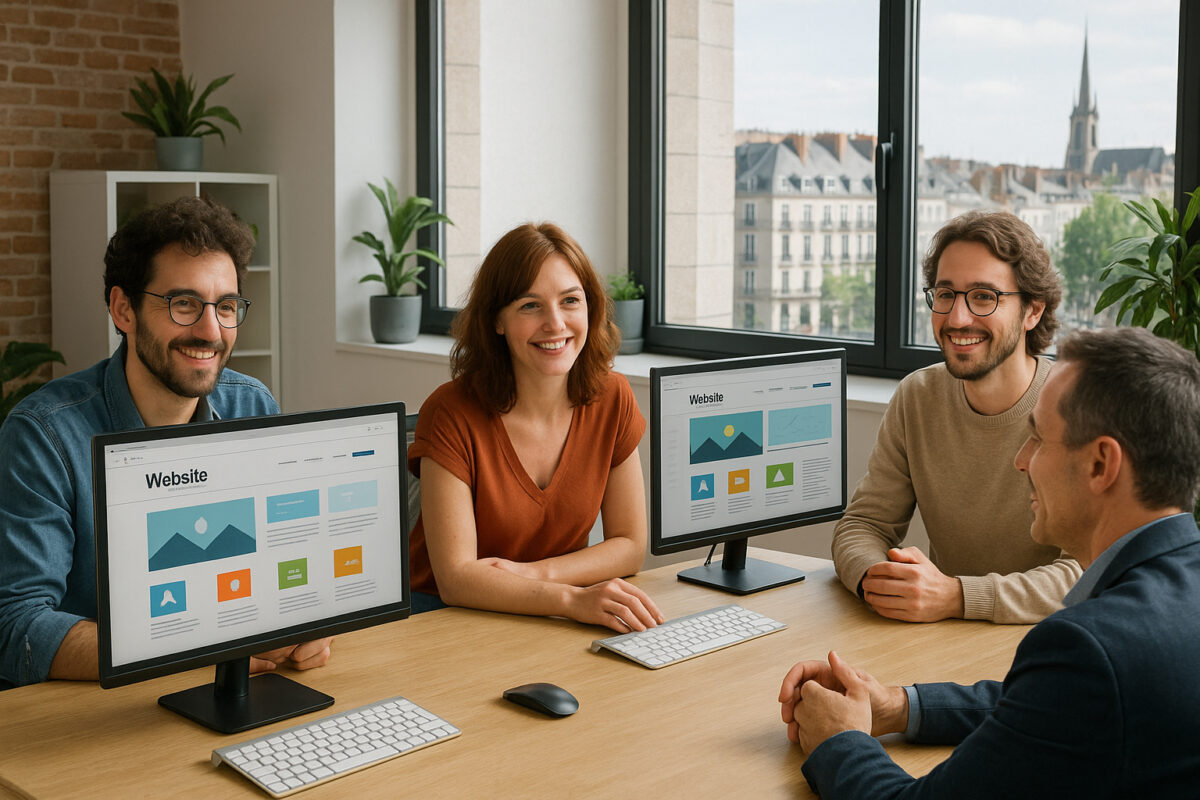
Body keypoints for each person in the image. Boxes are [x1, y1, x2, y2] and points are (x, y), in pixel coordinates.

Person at [779, 326, 1200, 798]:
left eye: (1038, 439)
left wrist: (840, 739)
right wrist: (897, 706)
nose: (1021, 460)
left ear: (1101, 465)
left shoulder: (1088, 650)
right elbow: (1050, 704)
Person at [0, 197, 331, 689]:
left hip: (232, 691)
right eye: (184, 304)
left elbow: (282, 567)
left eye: (225, 307)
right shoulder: (44, 434)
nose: (210, 331)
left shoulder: (251, 406)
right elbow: (18, 627)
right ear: (123, 309)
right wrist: (197, 648)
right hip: (95, 715)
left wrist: (309, 621)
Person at [408, 222, 664, 632]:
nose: (555, 323)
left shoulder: (612, 397)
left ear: (590, 308)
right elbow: (456, 580)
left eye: (570, 301)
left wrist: (535, 576)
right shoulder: (450, 412)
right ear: (497, 320)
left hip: (548, 616)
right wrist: (571, 598)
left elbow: (630, 547)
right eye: (530, 305)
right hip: (443, 620)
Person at [833, 211, 1080, 623]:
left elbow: (1085, 571)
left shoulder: (1076, 405)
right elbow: (863, 525)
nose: (957, 318)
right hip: (940, 641)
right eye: (946, 294)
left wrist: (957, 596)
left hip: (1049, 645)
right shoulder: (917, 396)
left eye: (984, 296)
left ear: (1033, 311)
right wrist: (881, 580)